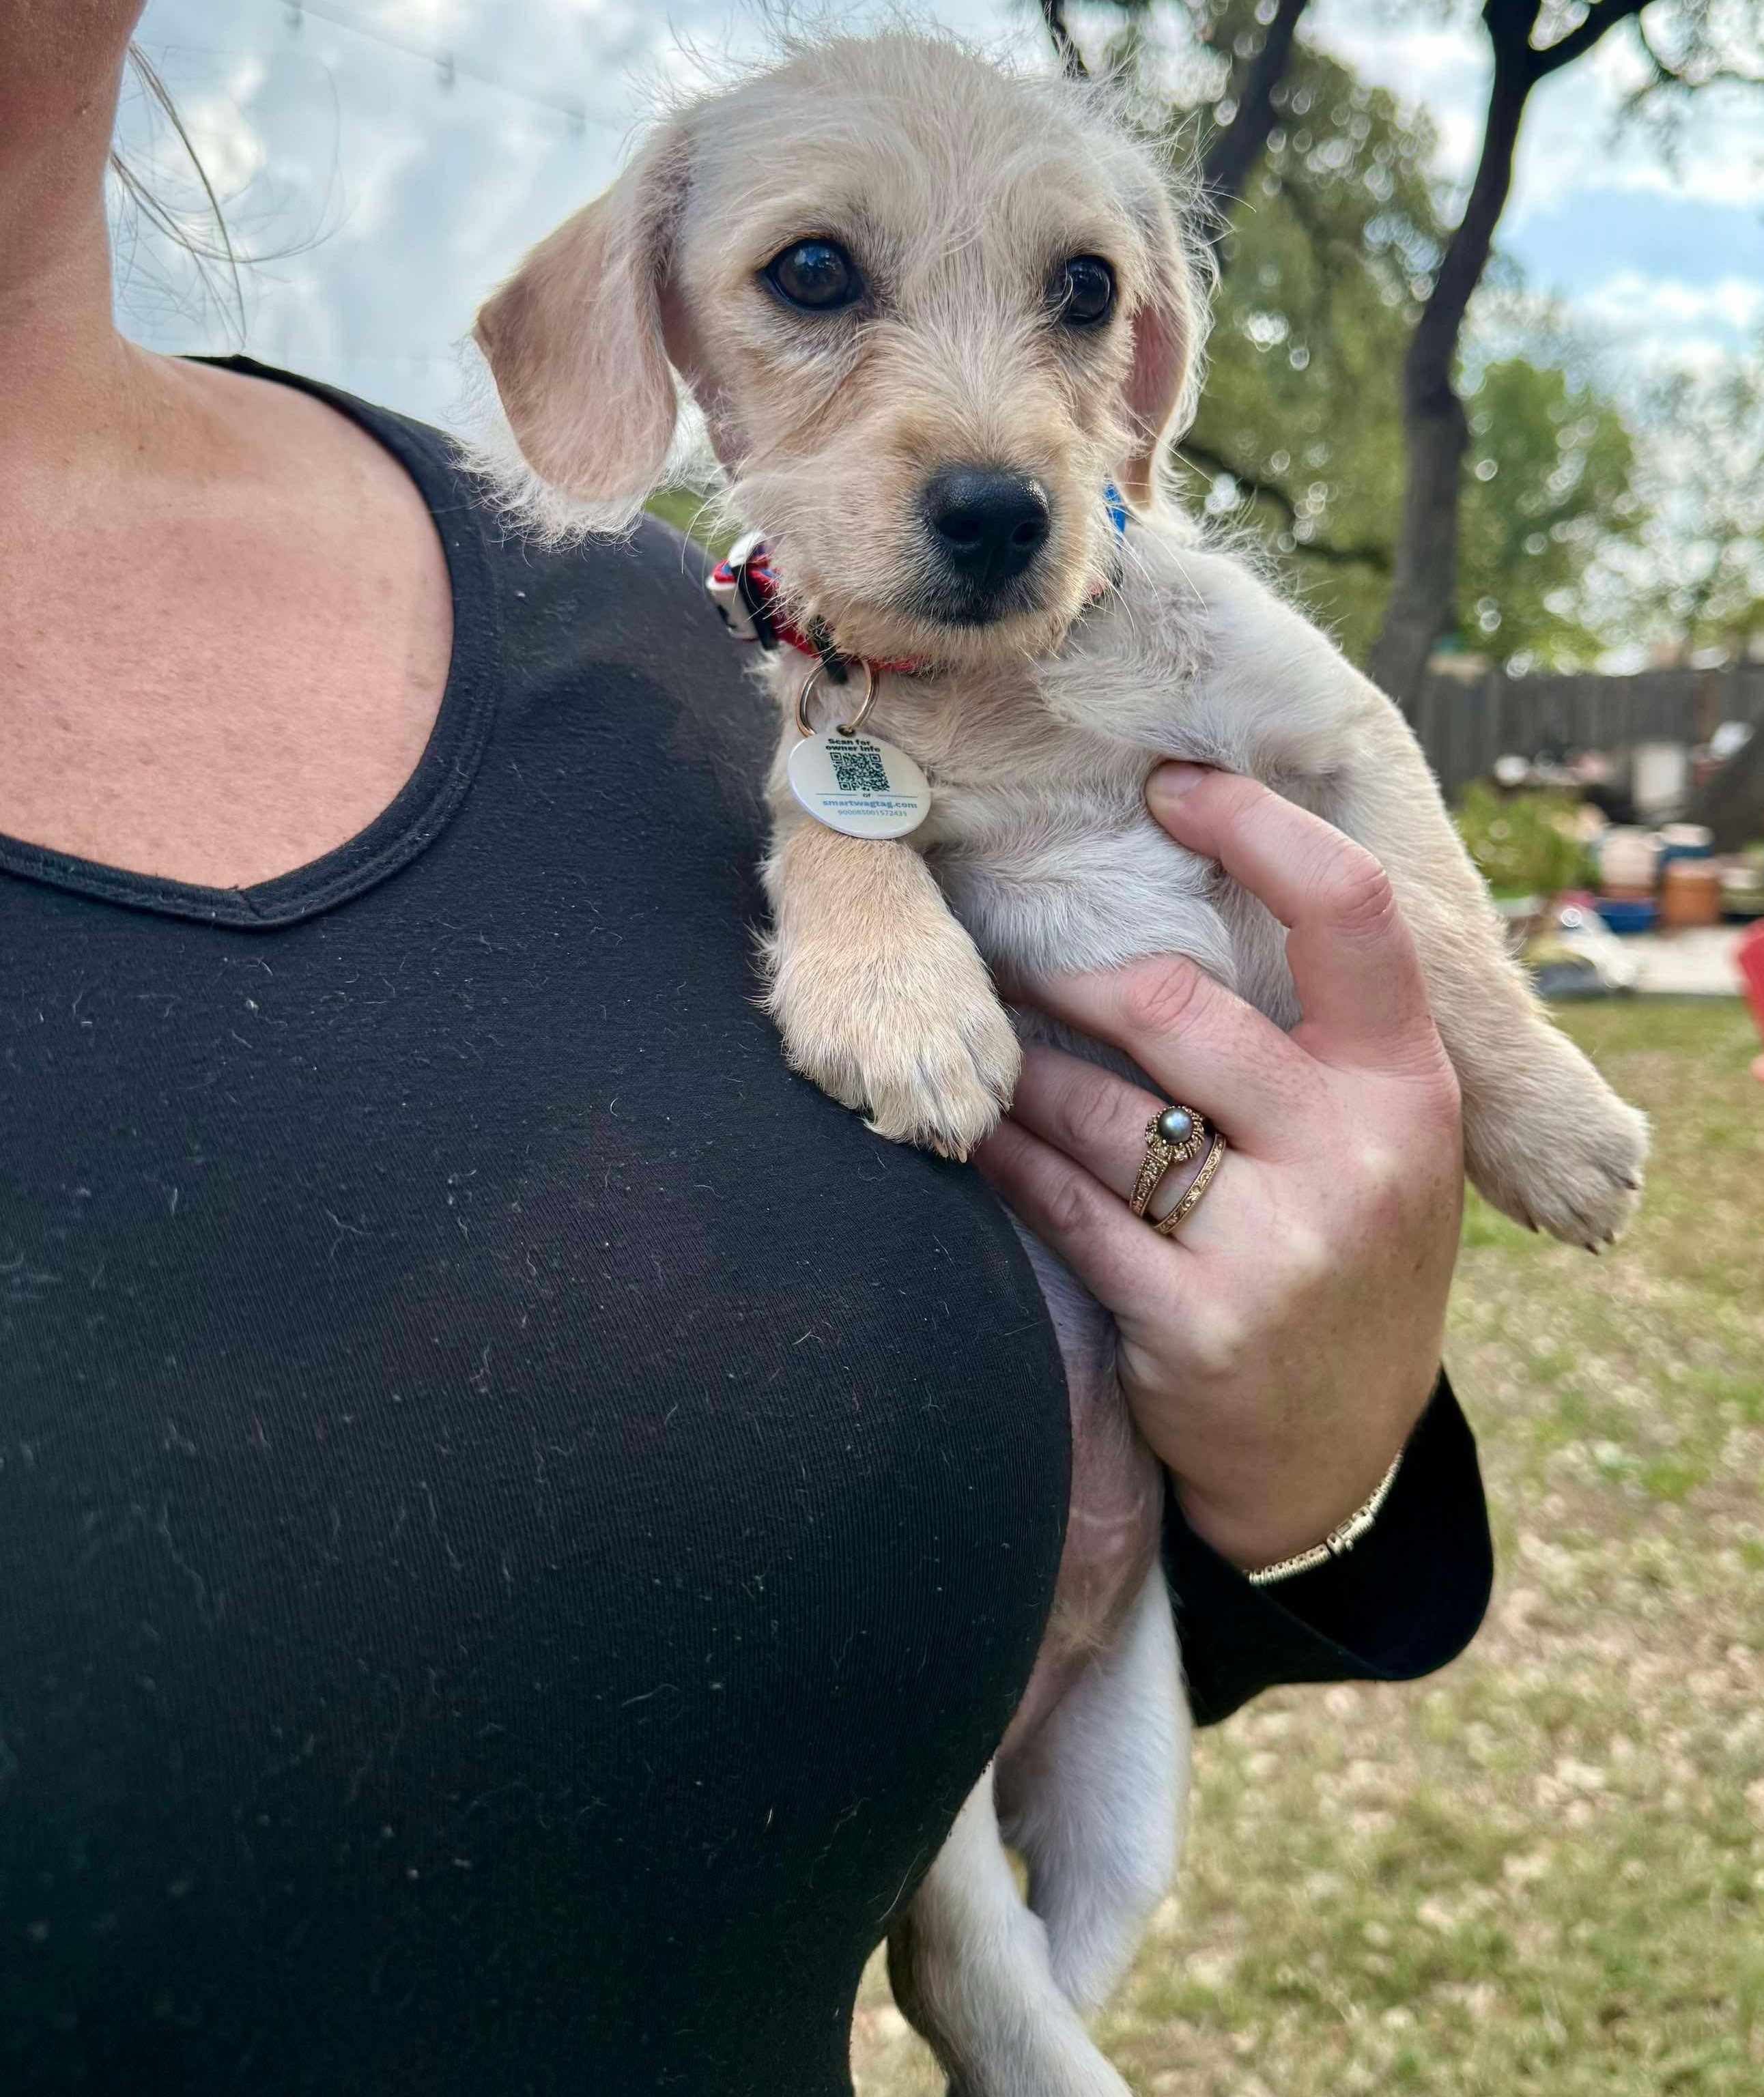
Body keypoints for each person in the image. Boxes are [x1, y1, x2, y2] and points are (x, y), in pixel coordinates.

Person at [0, 6, 1490, 2090]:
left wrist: (1320, 1461)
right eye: (815, 282)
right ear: (646, 322)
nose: (978, 425)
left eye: (1077, 300)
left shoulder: (702, 651)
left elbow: (959, 1506)